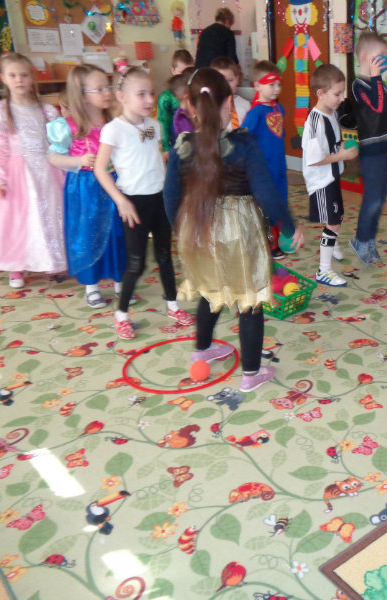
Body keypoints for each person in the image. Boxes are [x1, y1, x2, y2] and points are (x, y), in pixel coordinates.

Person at [163, 68, 304, 391]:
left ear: (191, 107)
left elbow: (170, 197)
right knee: (249, 300)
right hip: (237, 231)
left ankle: (202, 350)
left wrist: (180, 230)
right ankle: (251, 374)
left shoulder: (182, 145)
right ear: (229, 104)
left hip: (198, 230)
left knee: (208, 288)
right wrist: (289, 225)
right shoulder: (243, 144)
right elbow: (267, 194)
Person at [94, 66, 194, 339]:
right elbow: (100, 169)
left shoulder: (154, 125)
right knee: (136, 263)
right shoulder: (113, 130)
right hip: (133, 204)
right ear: (122, 97)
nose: (149, 99)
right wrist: (121, 201)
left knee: (165, 256)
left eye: (151, 93)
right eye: (141, 94)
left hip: (159, 199)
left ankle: (173, 306)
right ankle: (121, 315)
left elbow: (153, 157)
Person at [0, 53, 66, 287]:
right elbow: (0, 148)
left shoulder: (46, 110)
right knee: (18, 218)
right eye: (13, 75)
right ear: (3, 78)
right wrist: (2, 179)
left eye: (24, 75)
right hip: (17, 171)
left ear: (32, 77)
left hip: (47, 169)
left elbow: (56, 143)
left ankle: (50, 260)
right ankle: (16, 264)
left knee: (49, 214)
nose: (19, 79)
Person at [46, 64, 128, 308]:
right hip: (84, 189)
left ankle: (120, 281)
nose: (107, 92)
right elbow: (53, 157)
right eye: (99, 89)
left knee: (117, 232)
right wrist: (78, 161)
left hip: (114, 184)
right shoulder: (68, 126)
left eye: (108, 86)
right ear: (82, 96)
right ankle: (91, 285)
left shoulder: (115, 122)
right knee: (87, 234)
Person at [348, 32, 387, 266]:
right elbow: (378, 108)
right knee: (371, 200)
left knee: (380, 200)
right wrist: (376, 78)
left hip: (384, 151)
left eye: (386, 56)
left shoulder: (379, 85)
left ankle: (369, 238)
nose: (385, 60)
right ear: (364, 56)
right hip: (371, 154)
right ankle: (360, 240)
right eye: (380, 55)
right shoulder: (359, 86)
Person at [302, 64, 357, 286]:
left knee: (337, 216)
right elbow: (314, 159)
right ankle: (323, 271)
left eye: (342, 93)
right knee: (333, 222)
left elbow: (331, 145)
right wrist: (341, 155)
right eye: (337, 94)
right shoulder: (315, 122)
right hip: (321, 181)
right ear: (321, 93)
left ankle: (331, 245)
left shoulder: (331, 113)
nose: (342, 98)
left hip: (332, 176)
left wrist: (342, 149)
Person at [242, 60, 288, 261]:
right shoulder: (255, 113)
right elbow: (243, 138)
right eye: (271, 84)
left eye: (278, 84)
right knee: (266, 210)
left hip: (279, 169)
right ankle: (271, 244)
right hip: (263, 171)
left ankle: (279, 238)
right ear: (257, 86)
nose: (276, 88)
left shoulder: (279, 109)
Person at [158, 49, 194, 151]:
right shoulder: (166, 98)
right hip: (176, 144)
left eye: (190, 73)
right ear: (173, 70)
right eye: (182, 73)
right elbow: (163, 124)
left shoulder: (196, 91)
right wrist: (166, 147)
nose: (187, 79)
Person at [210, 56, 250, 132]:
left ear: (237, 79)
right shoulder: (210, 105)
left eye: (230, 80)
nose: (226, 85)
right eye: (221, 81)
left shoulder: (246, 105)